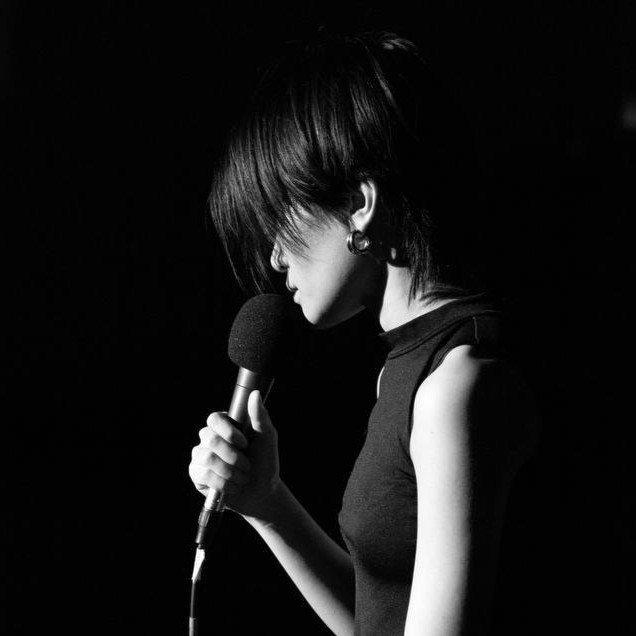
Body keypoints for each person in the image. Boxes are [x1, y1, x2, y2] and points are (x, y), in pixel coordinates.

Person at [189, 31, 540, 635]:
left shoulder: (457, 387)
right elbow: (379, 618)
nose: (274, 258)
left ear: (359, 203)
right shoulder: (410, 372)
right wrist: (267, 502)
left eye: (280, 217)